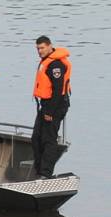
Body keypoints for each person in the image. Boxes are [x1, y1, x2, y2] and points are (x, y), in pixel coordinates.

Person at [31, 35, 72, 178]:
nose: (40, 51)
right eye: (38, 48)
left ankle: (46, 173)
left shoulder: (56, 65)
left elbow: (58, 90)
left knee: (49, 139)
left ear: (49, 46)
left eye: (42, 48)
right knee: (36, 138)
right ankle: (38, 170)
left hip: (56, 105)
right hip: (46, 104)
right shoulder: (46, 62)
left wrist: (49, 111)